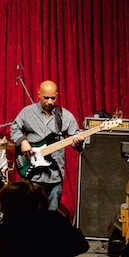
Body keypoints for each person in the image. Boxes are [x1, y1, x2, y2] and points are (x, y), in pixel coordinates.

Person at [10, 80, 84, 211]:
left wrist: (78, 142)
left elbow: (76, 142)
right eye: (46, 98)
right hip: (32, 174)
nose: (50, 102)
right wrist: (23, 141)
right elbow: (14, 129)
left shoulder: (65, 116)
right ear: (39, 94)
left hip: (54, 175)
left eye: (53, 98)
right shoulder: (27, 112)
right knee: (30, 215)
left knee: (51, 218)